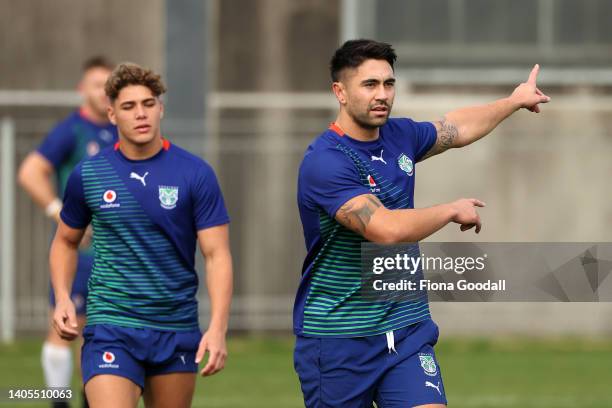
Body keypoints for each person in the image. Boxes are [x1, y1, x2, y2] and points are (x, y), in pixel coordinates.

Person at [294, 39, 550, 407]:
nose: (382, 94)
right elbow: (385, 230)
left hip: (406, 329)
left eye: (388, 83)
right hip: (339, 338)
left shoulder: (399, 136)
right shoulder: (326, 161)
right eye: (369, 85)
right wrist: (448, 210)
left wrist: (512, 101)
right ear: (341, 92)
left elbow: (455, 128)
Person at [49, 63, 233, 408]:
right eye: (129, 106)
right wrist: (62, 297)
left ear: (161, 107)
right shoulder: (89, 174)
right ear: (112, 114)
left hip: (176, 327)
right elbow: (65, 241)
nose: (141, 114)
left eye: (148, 104)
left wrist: (219, 326)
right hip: (111, 326)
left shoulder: (195, 173)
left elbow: (217, 254)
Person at [18, 56, 117, 408]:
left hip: (119, 253)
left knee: (103, 336)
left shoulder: (124, 130)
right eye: (96, 84)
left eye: (109, 85)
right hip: (82, 252)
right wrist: (58, 211)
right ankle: (58, 402)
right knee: (66, 325)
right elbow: (31, 171)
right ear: (81, 89)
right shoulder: (72, 130)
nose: (103, 92)